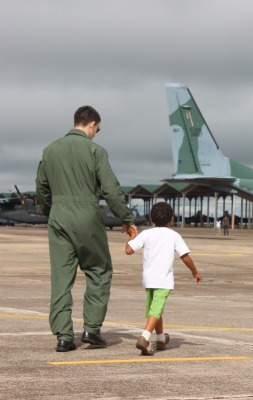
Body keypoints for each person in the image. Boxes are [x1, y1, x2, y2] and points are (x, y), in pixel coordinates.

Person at [36, 105, 138, 352]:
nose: (96, 133)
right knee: (99, 270)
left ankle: (64, 336)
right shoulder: (95, 151)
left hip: (58, 216)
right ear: (92, 124)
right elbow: (111, 191)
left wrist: (52, 212)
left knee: (61, 278)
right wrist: (126, 218)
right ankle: (92, 329)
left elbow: (41, 188)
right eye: (98, 129)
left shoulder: (50, 150)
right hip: (87, 215)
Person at [125, 202, 201, 356]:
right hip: (163, 280)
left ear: (151, 218)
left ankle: (160, 339)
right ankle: (145, 337)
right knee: (156, 309)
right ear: (171, 219)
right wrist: (195, 272)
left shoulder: (146, 234)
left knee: (155, 309)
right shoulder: (174, 235)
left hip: (148, 279)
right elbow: (185, 257)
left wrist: (133, 236)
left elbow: (128, 250)